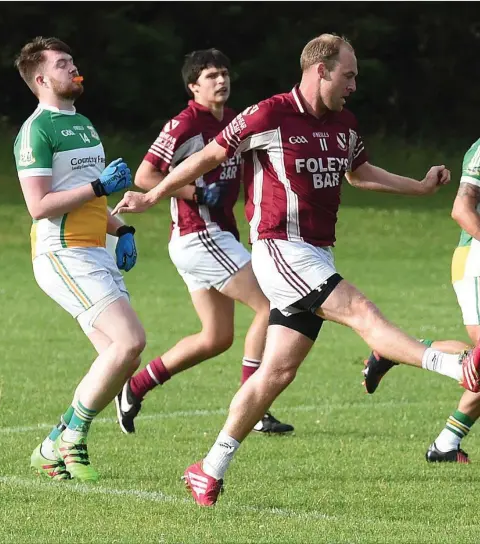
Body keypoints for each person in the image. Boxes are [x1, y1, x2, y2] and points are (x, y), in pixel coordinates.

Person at [112, 33, 480, 506]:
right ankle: (457, 366)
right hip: (281, 250)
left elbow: (360, 172)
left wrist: (420, 187)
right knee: (362, 312)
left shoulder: (344, 121)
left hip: (315, 253)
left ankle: (209, 468)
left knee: (276, 374)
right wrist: (152, 195)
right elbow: (208, 157)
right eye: (348, 75)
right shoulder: (270, 114)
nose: (353, 85)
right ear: (320, 70)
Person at [114, 49, 293, 435]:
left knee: (216, 337)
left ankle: (135, 386)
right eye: (211, 76)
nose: (221, 81)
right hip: (198, 235)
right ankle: (254, 405)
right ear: (193, 86)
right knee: (269, 304)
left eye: (225, 73)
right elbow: (146, 176)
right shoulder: (184, 124)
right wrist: (195, 193)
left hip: (217, 236)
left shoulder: (234, 121)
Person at [14, 36, 146, 482]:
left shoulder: (84, 124)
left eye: (73, 61)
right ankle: (74, 438)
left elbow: (88, 198)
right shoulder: (37, 130)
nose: (74, 69)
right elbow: (39, 205)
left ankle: (52, 445)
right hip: (62, 254)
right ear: (41, 78)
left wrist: (121, 228)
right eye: (63, 64)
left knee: (119, 357)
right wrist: (98, 187)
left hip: (95, 251)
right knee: (130, 341)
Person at [363, 138, 480, 463]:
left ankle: (446, 444)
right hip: (476, 259)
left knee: (479, 365)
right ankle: (398, 349)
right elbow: (462, 209)